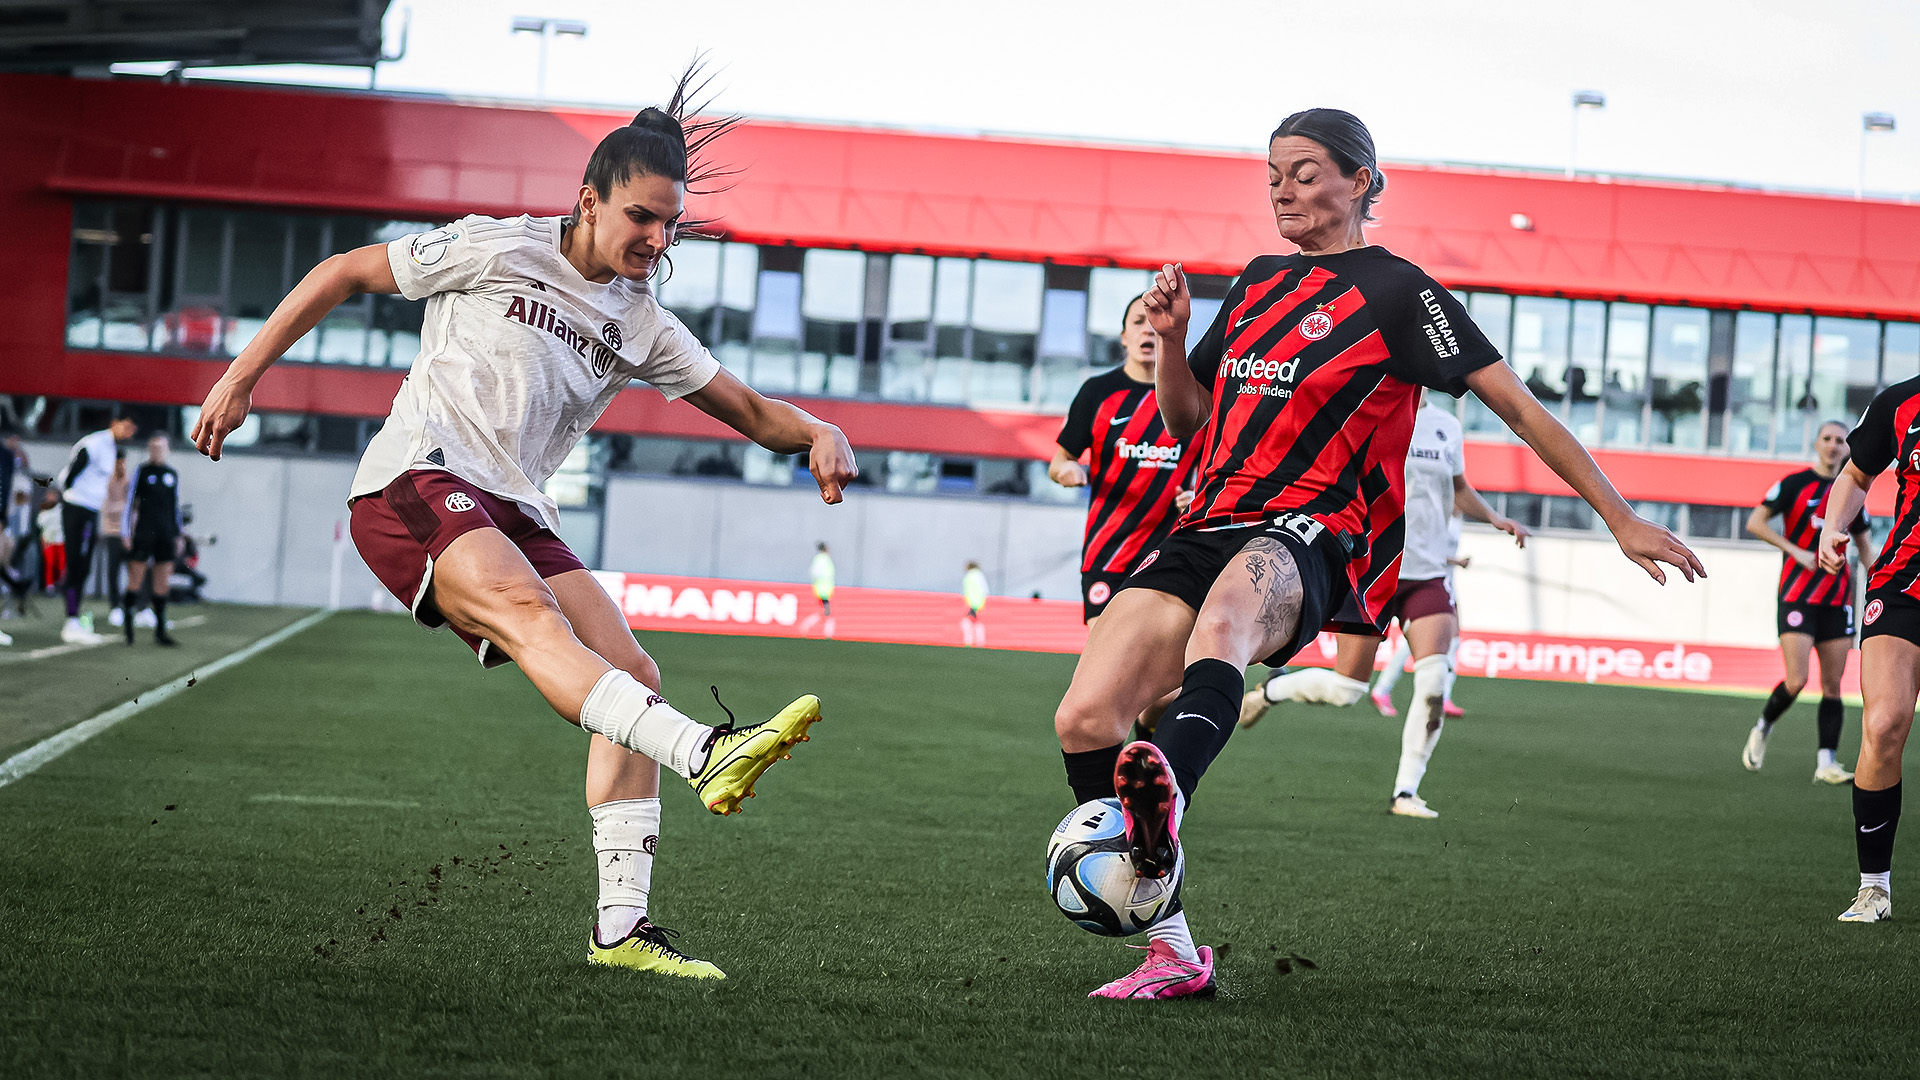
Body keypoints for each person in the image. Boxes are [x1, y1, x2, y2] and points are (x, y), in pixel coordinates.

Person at [189, 71, 858, 977]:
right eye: (640, 218)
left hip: (515, 504)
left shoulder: (645, 325)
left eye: (669, 225)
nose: (655, 240)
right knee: (528, 611)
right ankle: (707, 751)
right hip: (417, 480)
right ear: (589, 200)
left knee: (632, 670)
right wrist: (239, 378)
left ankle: (622, 932)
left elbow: (745, 407)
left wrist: (816, 430)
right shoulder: (498, 249)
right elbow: (343, 270)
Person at [1050, 108, 1703, 999]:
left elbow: (1517, 407)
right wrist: (1169, 346)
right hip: (1205, 522)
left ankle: (1156, 822)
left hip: (1314, 531)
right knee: (1085, 717)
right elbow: (1189, 422)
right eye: (1273, 172)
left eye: (1306, 170)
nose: (1283, 187)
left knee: (1229, 626)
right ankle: (1171, 948)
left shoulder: (1401, 294)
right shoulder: (1252, 283)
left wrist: (1620, 517)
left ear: (1361, 181)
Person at [1236, 390, 1529, 819]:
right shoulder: (1367, 411)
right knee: (1347, 690)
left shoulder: (1447, 426)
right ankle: (1274, 690)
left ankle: (1405, 793)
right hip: (1371, 571)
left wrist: (1496, 519)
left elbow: (1458, 489)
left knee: (1433, 682)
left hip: (1427, 574)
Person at [1815, 383, 1920, 922]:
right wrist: (1833, 527)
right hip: (1903, 583)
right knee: (1882, 724)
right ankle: (1873, 887)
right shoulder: (1901, 403)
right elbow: (1857, 474)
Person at [1742, 420, 1874, 784]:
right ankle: (1764, 724)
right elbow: (1755, 522)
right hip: (1798, 594)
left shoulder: (1853, 491)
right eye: (1827, 439)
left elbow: (1865, 551)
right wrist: (1795, 550)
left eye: (1840, 441)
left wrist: (1884, 586)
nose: (1834, 446)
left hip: (1837, 600)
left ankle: (1826, 762)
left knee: (1833, 686)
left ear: (1848, 448)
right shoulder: (1794, 484)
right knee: (1797, 680)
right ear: (1816, 444)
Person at [1050, 293, 1194, 624]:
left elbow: (1217, 465)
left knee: (1162, 668)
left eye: (1155, 324)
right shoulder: (1097, 393)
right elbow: (1059, 462)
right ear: (1124, 337)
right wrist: (1068, 471)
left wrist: (1198, 495)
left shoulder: (1192, 396)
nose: (1147, 331)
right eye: (1138, 323)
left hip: (1174, 552)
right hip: (1109, 550)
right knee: (1103, 659)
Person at [55, 416, 136, 642]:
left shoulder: (112, 449)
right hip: (77, 508)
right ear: (115, 423)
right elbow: (70, 475)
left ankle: (74, 617)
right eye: (128, 426)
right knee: (76, 565)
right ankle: (70, 620)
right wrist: (73, 497)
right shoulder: (94, 444)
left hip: (90, 510)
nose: (130, 432)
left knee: (83, 567)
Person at [121, 433, 183, 646]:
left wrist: (178, 535)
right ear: (149, 450)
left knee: (162, 582)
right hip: (144, 533)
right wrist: (125, 532)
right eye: (153, 448)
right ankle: (128, 629)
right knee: (135, 579)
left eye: (161, 448)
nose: (157, 452)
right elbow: (130, 504)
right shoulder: (142, 472)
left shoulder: (171, 475)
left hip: (165, 534)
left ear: (168, 450)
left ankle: (160, 632)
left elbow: (175, 507)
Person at [101, 452, 131, 622]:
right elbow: (106, 507)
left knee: (134, 569)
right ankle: (115, 606)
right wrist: (123, 507)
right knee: (113, 571)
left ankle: (134, 605)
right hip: (112, 533)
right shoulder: (108, 481)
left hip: (127, 534)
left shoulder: (129, 481)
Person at [800, 541, 835, 638]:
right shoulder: (821, 559)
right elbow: (816, 573)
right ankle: (825, 632)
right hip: (822, 589)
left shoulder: (824, 559)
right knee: (826, 611)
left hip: (825, 589)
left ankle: (808, 626)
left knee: (825, 611)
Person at [961, 560, 988, 647]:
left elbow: (982, 589)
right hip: (976, 602)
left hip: (974, 603)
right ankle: (978, 642)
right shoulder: (977, 575)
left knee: (968, 622)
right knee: (974, 622)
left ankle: (971, 642)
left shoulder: (973, 576)